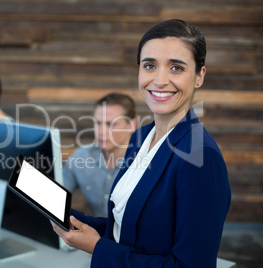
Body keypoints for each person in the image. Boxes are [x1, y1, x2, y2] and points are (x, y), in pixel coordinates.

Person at [52, 19, 231, 268]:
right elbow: (130, 227)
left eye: (176, 68)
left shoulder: (200, 157)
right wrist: (73, 220)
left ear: (199, 75)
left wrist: (97, 247)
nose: (159, 80)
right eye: (149, 65)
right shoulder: (140, 137)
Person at [62, 93, 137, 217]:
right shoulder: (82, 156)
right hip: (95, 234)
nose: (101, 132)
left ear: (131, 125)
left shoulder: (146, 162)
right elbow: (56, 196)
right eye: (98, 123)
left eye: (111, 124)